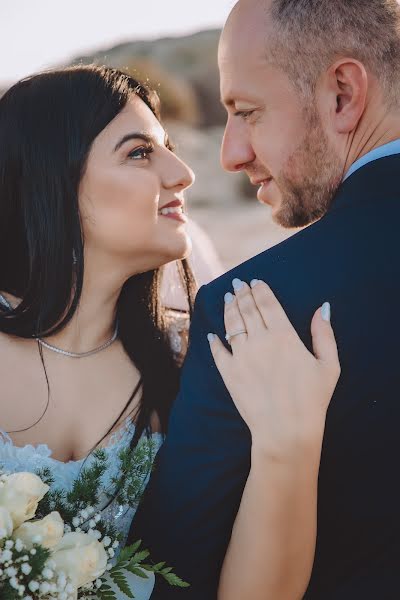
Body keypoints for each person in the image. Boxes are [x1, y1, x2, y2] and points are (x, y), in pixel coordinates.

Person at [0, 64, 339, 599]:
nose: (183, 172)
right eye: (139, 152)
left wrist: (287, 446)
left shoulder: (193, 366)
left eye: (169, 147)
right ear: (49, 175)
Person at [131, 0, 400, 598]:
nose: (230, 154)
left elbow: (173, 580)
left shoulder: (256, 308)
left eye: (248, 112)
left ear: (342, 94)